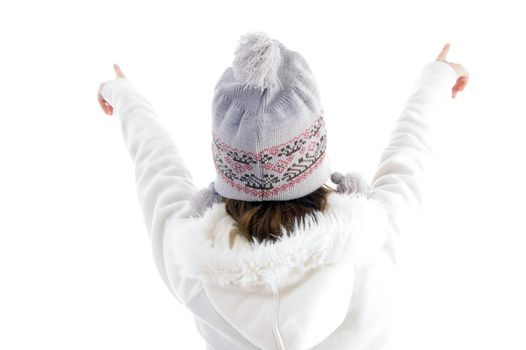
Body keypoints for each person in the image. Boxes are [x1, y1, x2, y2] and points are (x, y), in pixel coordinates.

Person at [97, 32, 468, 350]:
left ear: (225, 164)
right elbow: (410, 152)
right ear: (316, 148)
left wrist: (123, 95)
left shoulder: (189, 263)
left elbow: (156, 164)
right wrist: (436, 79)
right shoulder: (376, 247)